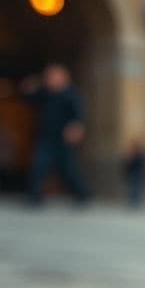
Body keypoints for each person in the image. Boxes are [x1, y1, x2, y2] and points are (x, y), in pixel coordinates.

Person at [21, 64, 90, 205]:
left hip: (64, 138)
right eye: (49, 76)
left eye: (54, 76)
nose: (50, 79)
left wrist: (76, 127)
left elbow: (78, 115)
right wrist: (27, 89)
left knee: (68, 169)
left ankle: (83, 194)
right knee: (39, 164)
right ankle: (34, 196)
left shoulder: (71, 94)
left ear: (64, 77)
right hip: (47, 136)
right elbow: (29, 99)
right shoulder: (46, 93)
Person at [123, 136, 145, 208]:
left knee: (137, 187)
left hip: (138, 172)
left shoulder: (139, 154)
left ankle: (137, 202)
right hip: (134, 172)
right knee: (134, 187)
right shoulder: (132, 154)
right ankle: (134, 202)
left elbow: (141, 163)